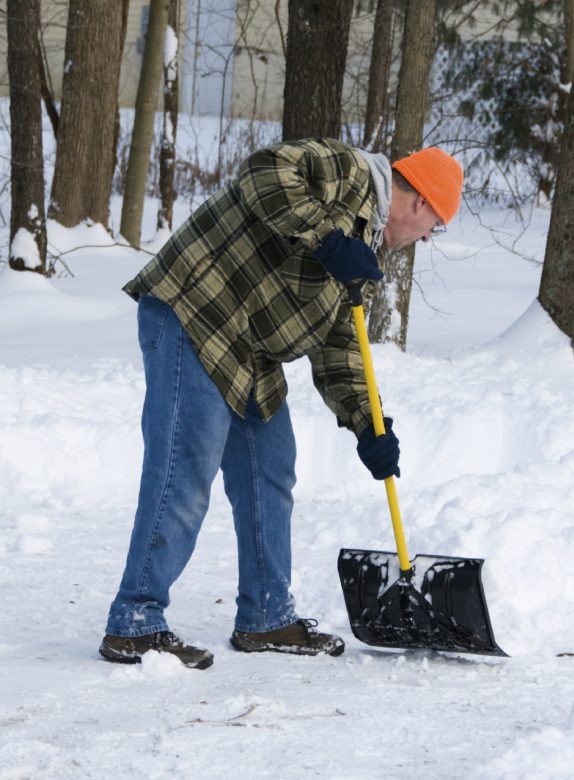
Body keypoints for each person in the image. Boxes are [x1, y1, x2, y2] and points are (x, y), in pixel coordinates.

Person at [99, 138, 464, 669]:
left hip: (248, 347)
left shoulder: (363, 250)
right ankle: (135, 621)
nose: (428, 238)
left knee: (271, 470)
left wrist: (370, 425)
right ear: (420, 203)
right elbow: (264, 172)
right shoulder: (347, 173)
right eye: (437, 226)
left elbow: (343, 345)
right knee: (184, 472)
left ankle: (266, 617)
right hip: (196, 311)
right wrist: (325, 237)